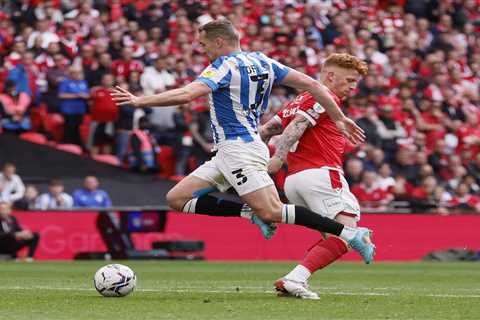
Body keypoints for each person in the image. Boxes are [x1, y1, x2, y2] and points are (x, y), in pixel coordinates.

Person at [111, 19, 374, 261]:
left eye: (204, 45)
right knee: (178, 198)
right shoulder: (264, 61)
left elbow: (188, 94)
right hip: (231, 150)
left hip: (240, 149)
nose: (203, 51)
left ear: (219, 42)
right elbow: (314, 86)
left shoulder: (223, 66)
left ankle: (350, 234)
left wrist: (139, 100)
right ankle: (248, 213)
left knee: (272, 211)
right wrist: (338, 117)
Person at [260, 53, 370, 299]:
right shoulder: (324, 96)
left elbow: (268, 129)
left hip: (295, 181)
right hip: (321, 174)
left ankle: (296, 279)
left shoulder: (300, 98)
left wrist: (255, 158)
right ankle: (294, 278)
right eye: (350, 79)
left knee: (334, 236)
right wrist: (278, 157)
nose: (353, 86)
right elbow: (297, 125)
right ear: (330, 76)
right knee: (348, 234)